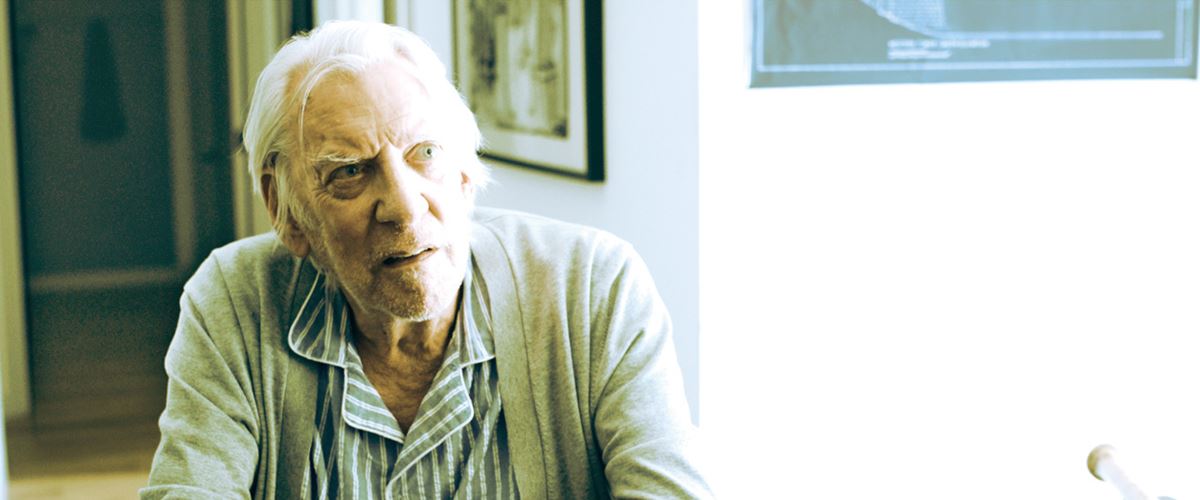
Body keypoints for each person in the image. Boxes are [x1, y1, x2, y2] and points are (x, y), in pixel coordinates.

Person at [141, 20, 709, 499]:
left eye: (426, 153)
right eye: (349, 171)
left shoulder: (593, 288)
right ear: (286, 211)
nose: (404, 206)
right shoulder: (232, 301)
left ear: (464, 174)